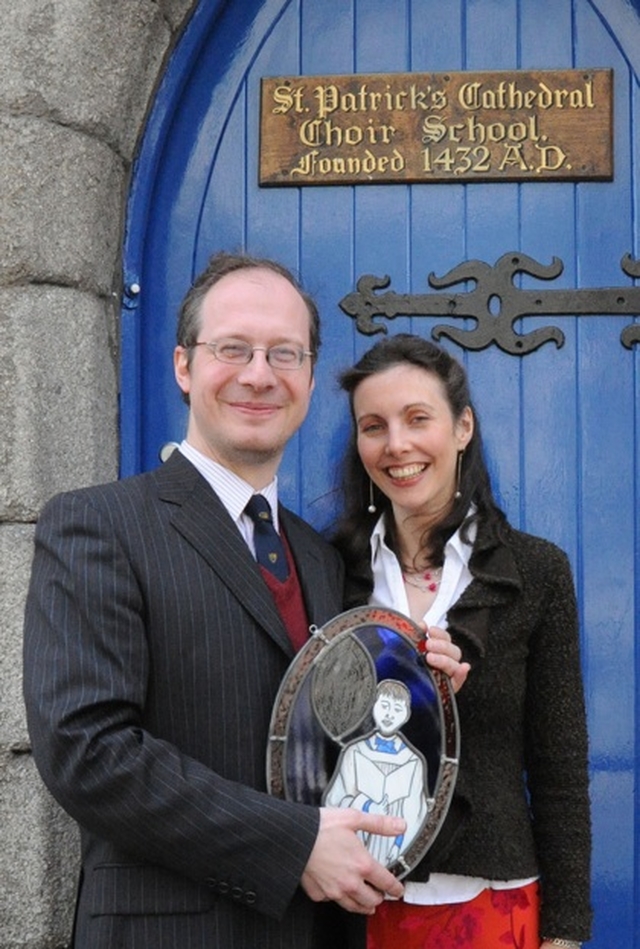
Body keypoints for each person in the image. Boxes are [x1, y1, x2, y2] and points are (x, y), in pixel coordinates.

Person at [22, 253, 465, 949]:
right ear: (183, 366)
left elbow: (334, 744)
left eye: (284, 353)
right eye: (233, 348)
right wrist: (293, 846)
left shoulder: (319, 557)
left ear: (311, 379)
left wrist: (420, 691)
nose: (259, 373)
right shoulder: (97, 525)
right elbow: (87, 751)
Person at [332, 333, 592, 949]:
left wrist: (566, 933)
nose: (396, 445)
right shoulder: (328, 569)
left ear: (462, 427)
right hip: (350, 906)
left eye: (418, 419)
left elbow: (559, 770)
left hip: (491, 908)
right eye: (374, 426)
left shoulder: (536, 572)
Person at [324, 679, 430, 868]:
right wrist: (366, 805)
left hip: (394, 846)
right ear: (372, 707)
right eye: (384, 706)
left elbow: (415, 813)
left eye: (398, 709)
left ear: (407, 716)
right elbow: (335, 802)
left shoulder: (413, 761)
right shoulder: (354, 752)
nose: (390, 714)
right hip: (355, 843)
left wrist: (399, 847)